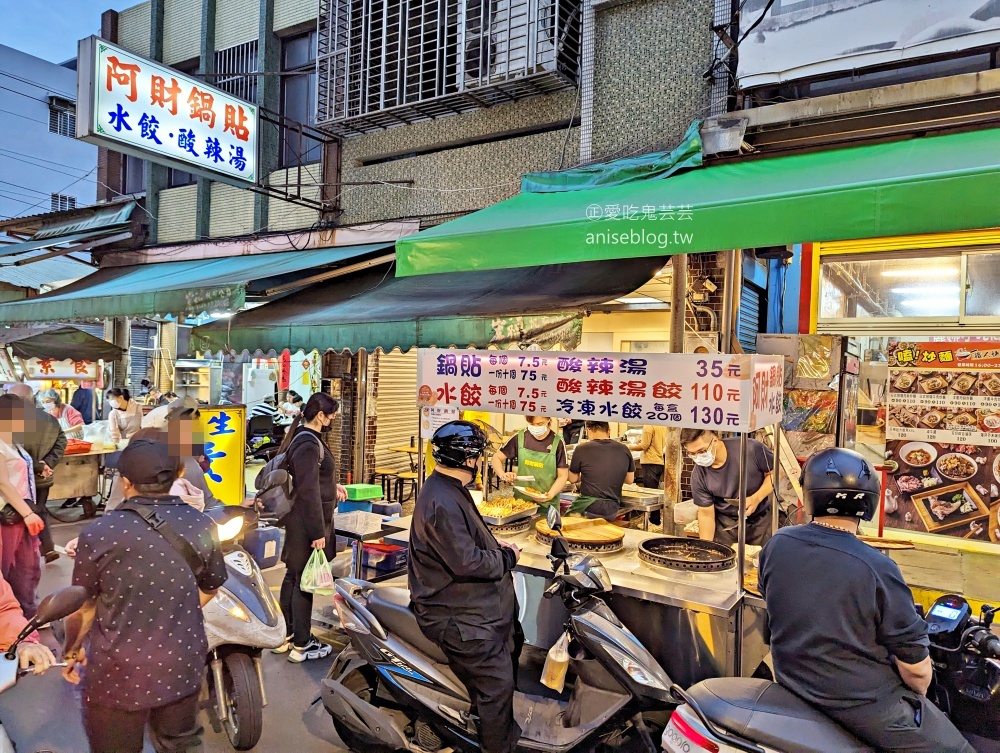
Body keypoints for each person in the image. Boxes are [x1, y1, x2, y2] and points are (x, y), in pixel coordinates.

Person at [759, 448, 974, 753]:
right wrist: (921, 702)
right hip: (861, 703)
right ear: (869, 500)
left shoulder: (777, 544)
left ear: (809, 495)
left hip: (792, 680)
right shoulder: (876, 566)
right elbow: (916, 669)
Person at [61, 438, 227, 753]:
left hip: (117, 670)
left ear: (125, 483)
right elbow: (210, 587)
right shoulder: (204, 525)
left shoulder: (99, 534)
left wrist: (72, 651)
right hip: (181, 662)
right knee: (180, 743)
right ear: (179, 473)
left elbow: (83, 609)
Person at [410, 421, 522, 753]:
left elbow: (464, 544)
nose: (480, 462)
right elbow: (466, 562)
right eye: (477, 456)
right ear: (466, 459)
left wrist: (490, 543)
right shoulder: (441, 500)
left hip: (476, 608)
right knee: (496, 686)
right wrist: (506, 558)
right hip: (457, 617)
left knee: (515, 643)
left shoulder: (448, 489)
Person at [272, 393, 347, 663]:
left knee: (293, 576)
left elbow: (313, 479)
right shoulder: (307, 443)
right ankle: (302, 644)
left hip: (298, 519)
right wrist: (318, 533)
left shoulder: (304, 438)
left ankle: (288, 636)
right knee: (303, 581)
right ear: (320, 416)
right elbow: (307, 490)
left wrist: (332, 486)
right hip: (306, 523)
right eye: (332, 416)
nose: (333, 420)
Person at [681, 428, 775, 547]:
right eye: (692, 454)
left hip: (760, 520)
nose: (698, 457)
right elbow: (706, 514)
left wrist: (756, 498)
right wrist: (706, 548)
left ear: (715, 441)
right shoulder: (699, 475)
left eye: (702, 451)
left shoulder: (750, 448)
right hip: (725, 526)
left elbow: (776, 473)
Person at [7, 385, 66, 560]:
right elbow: (61, 442)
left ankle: (21, 554)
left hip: (18, 479)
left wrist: (41, 466)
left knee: (16, 515)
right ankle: (47, 548)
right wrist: (47, 464)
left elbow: (15, 452)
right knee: (39, 510)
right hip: (42, 478)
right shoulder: (49, 419)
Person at [0, 394, 46, 618]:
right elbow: (2, 482)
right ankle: (10, 618)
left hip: (24, 514)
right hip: (9, 516)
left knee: (28, 567)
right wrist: (27, 513)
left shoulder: (14, 442)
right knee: (7, 568)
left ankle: (27, 613)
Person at [490, 416, 569, 509]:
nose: (535, 427)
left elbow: (563, 476)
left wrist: (550, 495)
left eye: (540, 424)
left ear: (548, 419)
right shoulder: (519, 437)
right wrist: (503, 475)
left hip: (547, 504)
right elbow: (496, 458)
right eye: (531, 424)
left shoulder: (558, 442)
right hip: (521, 504)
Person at [628, 424, 667, 490]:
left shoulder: (648, 425)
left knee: (650, 490)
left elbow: (644, 446)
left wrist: (628, 447)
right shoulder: (662, 425)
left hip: (650, 461)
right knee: (654, 490)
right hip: (659, 461)